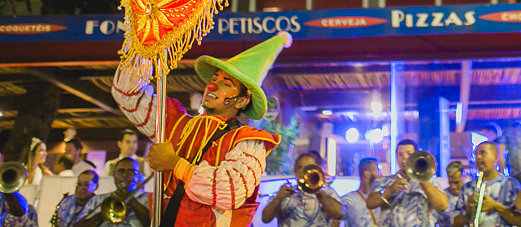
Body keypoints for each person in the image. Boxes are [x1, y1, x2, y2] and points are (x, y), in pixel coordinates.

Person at [111, 32, 292, 226]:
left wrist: (175, 164)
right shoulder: (175, 122)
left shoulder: (248, 140)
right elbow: (127, 94)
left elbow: (229, 191)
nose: (212, 85)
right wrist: (144, 44)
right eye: (214, 78)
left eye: (226, 83)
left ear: (242, 100)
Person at [367, 138, 449, 227]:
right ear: (396, 157)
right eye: (400, 154)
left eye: (409, 154)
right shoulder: (384, 181)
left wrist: (420, 178)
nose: (405, 157)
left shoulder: (429, 182)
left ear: (417, 156)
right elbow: (370, 203)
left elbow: (442, 205)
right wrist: (391, 190)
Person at [260, 151, 343, 227]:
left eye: (308, 168)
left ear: (317, 169)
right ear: (295, 170)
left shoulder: (327, 192)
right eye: (300, 167)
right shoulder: (286, 192)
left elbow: (339, 214)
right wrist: (278, 199)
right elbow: (265, 219)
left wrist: (318, 192)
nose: (304, 171)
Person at [459, 141, 521, 226]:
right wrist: (469, 210)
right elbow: (455, 223)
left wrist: (496, 206)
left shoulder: (510, 184)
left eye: (482, 153)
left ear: (495, 157)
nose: (478, 157)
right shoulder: (467, 187)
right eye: (476, 154)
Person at [77, 158, 148, 227]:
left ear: (137, 176)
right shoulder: (96, 200)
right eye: (121, 171)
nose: (125, 175)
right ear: (114, 175)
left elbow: (153, 223)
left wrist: (132, 201)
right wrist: (105, 212)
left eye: (131, 171)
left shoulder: (148, 198)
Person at [343, 157, 382, 227]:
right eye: (378, 171)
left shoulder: (383, 198)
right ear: (367, 174)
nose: (381, 175)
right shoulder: (348, 200)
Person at [439, 160, 464, 227]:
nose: (453, 187)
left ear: (464, 177)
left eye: (456, 182)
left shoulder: (469, 194)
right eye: (450, 183)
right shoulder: (442, 196)